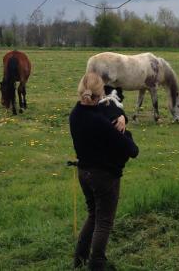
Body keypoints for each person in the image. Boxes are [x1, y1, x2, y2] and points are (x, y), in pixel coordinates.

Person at [69, 72, 139, 271]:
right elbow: (132, 151)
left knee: (93, 215)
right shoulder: (99, 122)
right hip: (104, 177)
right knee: (104, 222)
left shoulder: (76, 114)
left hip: (84, 173)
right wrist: (128, 134)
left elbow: (106, 112)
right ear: (102, 94)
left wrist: (121, 117)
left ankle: (79, 259)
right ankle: (97, 264)